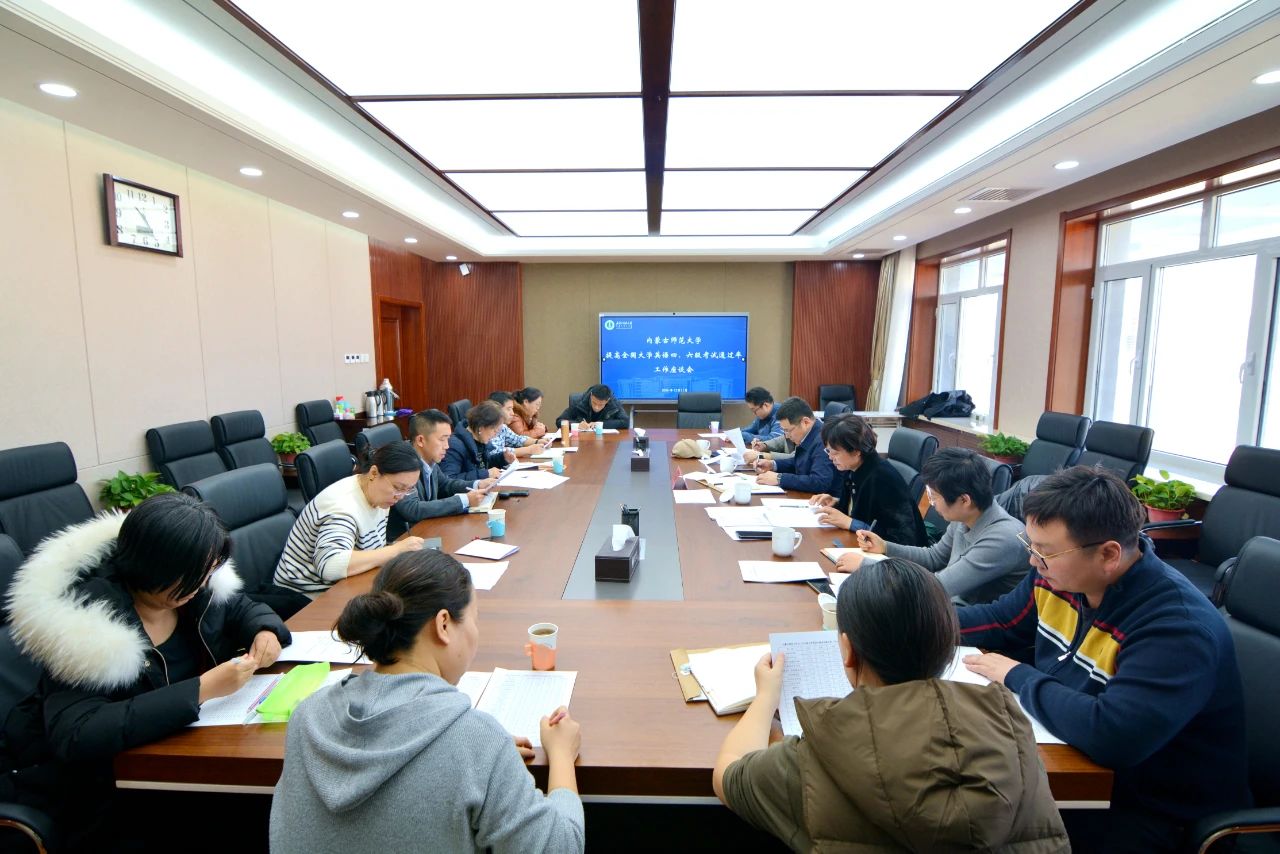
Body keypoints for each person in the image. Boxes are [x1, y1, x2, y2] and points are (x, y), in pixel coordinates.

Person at [958, 467, 1251, 852]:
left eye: (1045, 551)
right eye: (1031, 545)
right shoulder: (1060, 576)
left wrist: (1018, 675)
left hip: (1155, 812)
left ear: (1109, 554)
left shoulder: (1176, 627)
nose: (1033, 561)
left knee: (976, 825)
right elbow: (1000, 620)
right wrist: (914, 617)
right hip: (1081, 764)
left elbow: (1112, 735)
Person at [712, 558, 1068, 852]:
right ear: (947, 647)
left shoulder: (819, 750)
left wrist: (766, 697)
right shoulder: (1010, 730)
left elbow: (729, 775)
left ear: (848, 650)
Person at [6, 494, 291, 847]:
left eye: (208, 573)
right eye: (192, 576)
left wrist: (264, 630)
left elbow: (240, 607)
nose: (203, 584)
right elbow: (76, 733)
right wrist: (200, 690)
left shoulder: (194, 589)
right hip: (119, 789)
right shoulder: (85, 625)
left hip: (192, 753)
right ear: (153, 566)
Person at [270, 549, 584, 853]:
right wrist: (560, 755)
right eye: (474, 619)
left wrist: (490, 764)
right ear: (443, 624)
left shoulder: (307, 716)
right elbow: (561, 847)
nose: (476, 632)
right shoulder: (476, 743)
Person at [843, 447, 1026, 603]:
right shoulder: (965, 517)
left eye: (934, 497)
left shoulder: (1002, 538)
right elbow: (934, 558)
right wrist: (885, 547)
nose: (932, 503)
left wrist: (868, 566)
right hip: (950, 606)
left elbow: (937, 585)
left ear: (964, 500)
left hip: (976, 624)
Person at [275, 442, 425, 597]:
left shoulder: (378, 494)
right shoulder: (342, 507)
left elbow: (371, 549)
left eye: (408, 489)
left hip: (347, 582)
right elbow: (330, 566)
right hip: (307, 595)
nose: (400, 496)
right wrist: (394, 550)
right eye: (398, 487)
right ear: (374, 473)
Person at [808, 413, 926, 547]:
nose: (830, 457)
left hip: (897, 555)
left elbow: (902, 538)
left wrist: (850, 523)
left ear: (856, 451)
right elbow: (863, 510)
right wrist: (837, 504)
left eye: (835, 453)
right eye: (828, 451)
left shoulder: (883, 478)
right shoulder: (853, 468)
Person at [389, 410, 498, 540]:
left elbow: (446, 484)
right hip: (404, 540)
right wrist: (464, 500)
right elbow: (412, 509)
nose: (447, 446)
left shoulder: (429, 459)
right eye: (442, 439)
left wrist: (477, 484)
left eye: (448, 439)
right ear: (421, 440)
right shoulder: (404, 463)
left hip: (427, 531)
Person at [753, 397, 836, 494]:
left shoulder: (823, 440)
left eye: (788, 430)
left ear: (805, 422)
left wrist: (780, 478)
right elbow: (801, 463)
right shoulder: (810, 433)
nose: (787, 436)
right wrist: (773, 464)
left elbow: (819, 482)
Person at [442, 400, 509, 482]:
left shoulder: (479, 440)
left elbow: (482, 465)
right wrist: (485, 474)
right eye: (494, 430)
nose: (495, 435)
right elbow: (449, 480)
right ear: (481, 428)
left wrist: (502, 458)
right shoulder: (454, 446)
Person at [487, 391, 547, 460]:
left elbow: (518, 439)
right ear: (496, 409)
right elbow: (495, 452)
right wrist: (528, 450)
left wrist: (537, 442)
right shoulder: (487, 427)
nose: (512, 413)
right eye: (509, 409)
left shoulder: (502, 427)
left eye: (512, 409)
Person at [557, 384, 627, 431]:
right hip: (582, 441)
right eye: (594, 403)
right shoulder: (578, 402)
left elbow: (625, 422)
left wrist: (600, 424)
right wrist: (577, 425)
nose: (596, 407)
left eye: (601, 405)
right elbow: (559, 421)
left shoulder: (614, 404)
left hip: (605, 441)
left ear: (607, 401)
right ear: (591, 395)